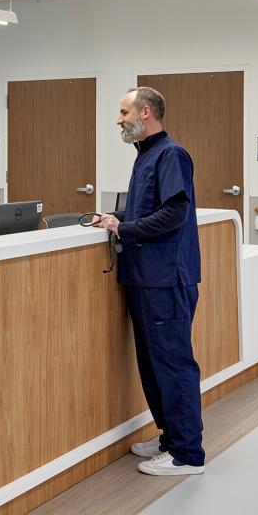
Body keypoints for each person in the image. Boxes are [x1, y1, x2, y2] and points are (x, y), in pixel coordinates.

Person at [95, 87, 205, 476]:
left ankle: (188, 454)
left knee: (173, 365)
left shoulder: (170, 154)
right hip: (145, 279)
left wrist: (126, 227)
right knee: (152, 363)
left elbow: (175, 213)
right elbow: (146, 209)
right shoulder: (145, 156)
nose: (119, 119)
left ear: (145, 112)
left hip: (166, 280)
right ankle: (170, 438)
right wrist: (113, 216)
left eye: (123, 111)